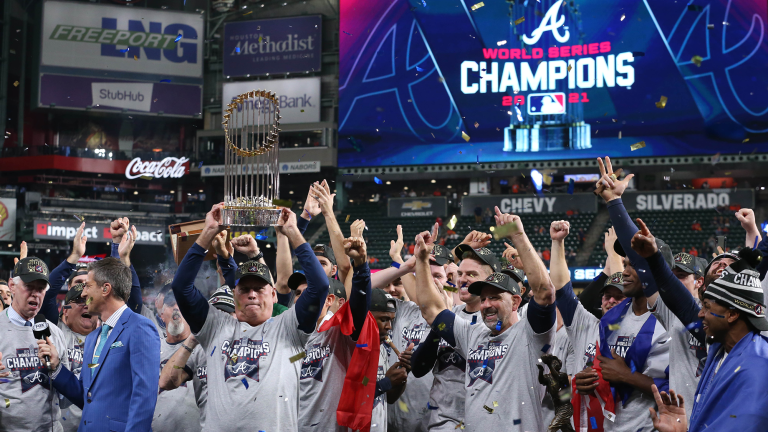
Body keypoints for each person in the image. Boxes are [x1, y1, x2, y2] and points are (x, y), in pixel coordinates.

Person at [170, 203, 328, 430]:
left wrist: (293, 231)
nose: (252, 294)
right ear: (234, 295)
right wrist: (208, 232)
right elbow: (181, 287)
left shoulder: (289, 326)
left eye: (259, 288)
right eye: (244, 289)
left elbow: (320, 287)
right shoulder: (215, 325)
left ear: (274, 295)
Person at [415, 207, 557, 431]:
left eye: (495, 298)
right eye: (483, 299)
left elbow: (545, 292)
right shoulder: (472, 335)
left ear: (516, 302)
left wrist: (518, 236)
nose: (487, 304)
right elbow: (431, 309)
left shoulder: (532, 335)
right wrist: (421, 261)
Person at [633, 232, 768, 430]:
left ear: (731, 314)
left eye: (707, 307)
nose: (700, 314)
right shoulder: (719, 349)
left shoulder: (756, 369)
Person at [38, 254, 161, 432]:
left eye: (88, 286)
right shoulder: (93, 338)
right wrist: (57, 368)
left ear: (105, 289)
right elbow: (87, 397)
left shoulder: (139, 328)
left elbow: (145, 398)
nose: (84, 292)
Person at [410, 231, 503, 430]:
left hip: (486, 420)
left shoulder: (501, 322)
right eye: (460, 274)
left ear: (490, 280)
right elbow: (418, 369)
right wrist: (440, 324)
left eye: (472, 274)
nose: (462, 279)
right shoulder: (449, 316)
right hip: (443, 421)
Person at [298, 237, 372, 432]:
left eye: (311, 293)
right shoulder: (289, 335)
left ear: (329, 300)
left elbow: (358, 305)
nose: (303, 299)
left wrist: (361, 267)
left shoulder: (337, 331)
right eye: (298, 293)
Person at [1, 257, 69, 432]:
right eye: (29, 287)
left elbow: (66, 398)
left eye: (41, 289)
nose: (35, 294)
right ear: (12, 285)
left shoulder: (54, 333)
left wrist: (57, 369)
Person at [158, 286, 238, 430]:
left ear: (237, 317)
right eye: (215, 314)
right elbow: (165, 381)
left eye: (226, 313)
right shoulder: (200, 350)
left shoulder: (253, 349)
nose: (219, 320)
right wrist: (192, 340)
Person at [152, 292, 202, 432]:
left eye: (180, 304)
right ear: (161, 315)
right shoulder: (152, 349)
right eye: (170, 304)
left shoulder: (202, 347)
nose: (176, 307)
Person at [370, 289, 410, 432]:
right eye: (383, 319)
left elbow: (389, 398)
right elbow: (349, 399)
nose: (389, 327)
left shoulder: (380, 349)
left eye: (391, 320)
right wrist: (385, 383)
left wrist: (403, 373)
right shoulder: (350, 350)